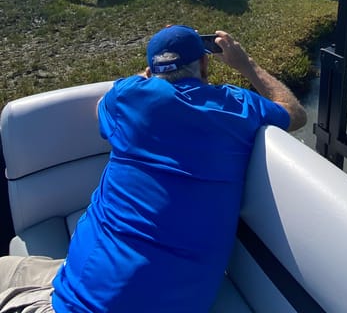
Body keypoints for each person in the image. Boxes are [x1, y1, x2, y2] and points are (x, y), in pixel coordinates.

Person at [0, 25, 306, 313]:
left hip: (78, 302)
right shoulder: (238, 106)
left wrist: (147, 77)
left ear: (151, 70)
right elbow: (294, 113)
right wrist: (245, 63)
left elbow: (101, 108)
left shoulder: (128, 96)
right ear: (205, 64)